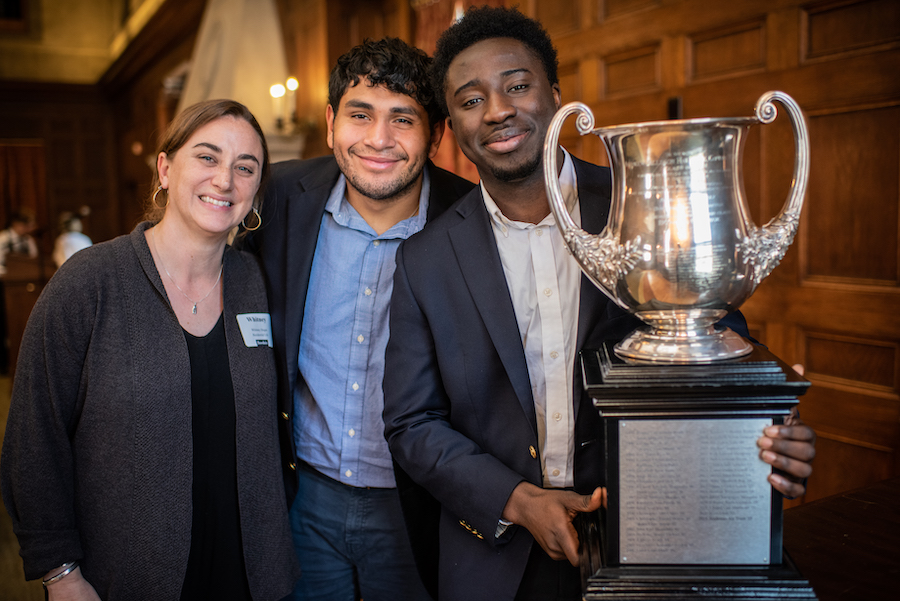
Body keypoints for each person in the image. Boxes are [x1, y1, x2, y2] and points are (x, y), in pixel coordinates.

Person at [381, 7, 817, 601]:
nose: (499, 109)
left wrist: (765, 434)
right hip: (496, 556)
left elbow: (714, 342)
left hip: (654, 534)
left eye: (517, 85)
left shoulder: (643, 201)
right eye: (470, 99)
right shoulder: (425, 259)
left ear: (556, 96)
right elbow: (412, 423)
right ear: (452, 125)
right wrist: (519, 501)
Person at [1, 99, 299, 601]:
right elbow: (34, 438)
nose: (224, 180)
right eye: (207, 157)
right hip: (128, 573)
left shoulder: (254, 280)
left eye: (244, 167)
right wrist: (61, 573)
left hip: (251, 571)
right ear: (165, 168)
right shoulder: (90, 281)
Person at [241, 38, 474, 601]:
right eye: (360, 114)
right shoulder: (277, 198)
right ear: (330, 122)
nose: (378, 139)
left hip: (419, 505)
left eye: (403, 119)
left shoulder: (474, 223)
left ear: (437, 135)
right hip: (301, 497)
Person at [0, 211, 39, 276]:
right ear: (16, 223)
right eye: (26, 226)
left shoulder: (28, 240)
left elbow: (34, 260)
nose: (30, 229)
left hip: (26, 276)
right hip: (6, 279)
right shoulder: (3, 239)